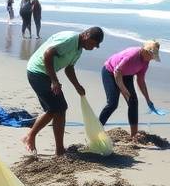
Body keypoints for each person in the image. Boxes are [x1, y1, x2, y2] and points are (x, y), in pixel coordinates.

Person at [23, 27, 104, 156]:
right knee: (58, 108)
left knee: (56, 109)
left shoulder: (78, 50)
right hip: (37, 72)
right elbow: (48, 54)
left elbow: (69, 69)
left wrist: (77, 86)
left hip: (45, 74)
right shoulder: (70, 40)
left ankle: (58, 148)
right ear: (86, 35)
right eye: (94, 44)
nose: (94, 47)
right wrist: (54, 81)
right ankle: (32, 136)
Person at [99, 40, 160, 138]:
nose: (152, 58)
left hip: (127, 75)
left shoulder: (145, 62)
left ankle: (134, 135)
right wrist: (123, 89)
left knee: (133, 102)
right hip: (110, 71)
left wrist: (148, 99)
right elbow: (117, 72)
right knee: (112, 104)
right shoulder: (131, 56)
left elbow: (141, 81)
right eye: (151, 55)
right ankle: (96, 130)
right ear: (145, 51)